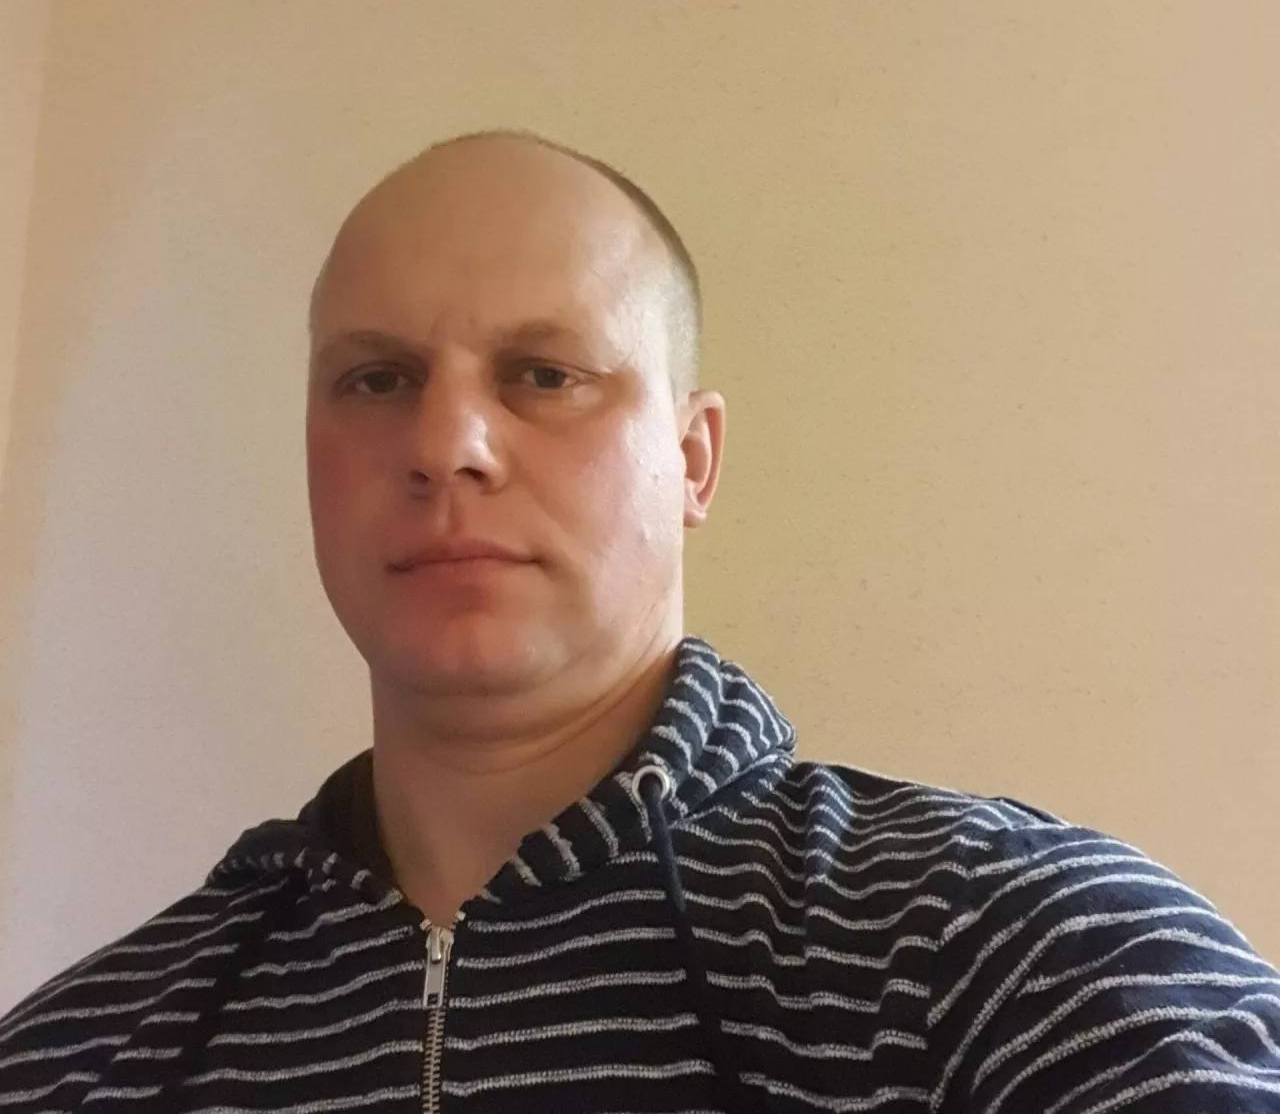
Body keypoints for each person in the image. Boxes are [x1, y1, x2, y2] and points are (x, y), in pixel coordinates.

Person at [1, 130, 1277, 1114]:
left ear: (692, 460)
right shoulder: (79, 1053)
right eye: (376, 378)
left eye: (543, 374)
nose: (446, 443)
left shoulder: (1009, 947)